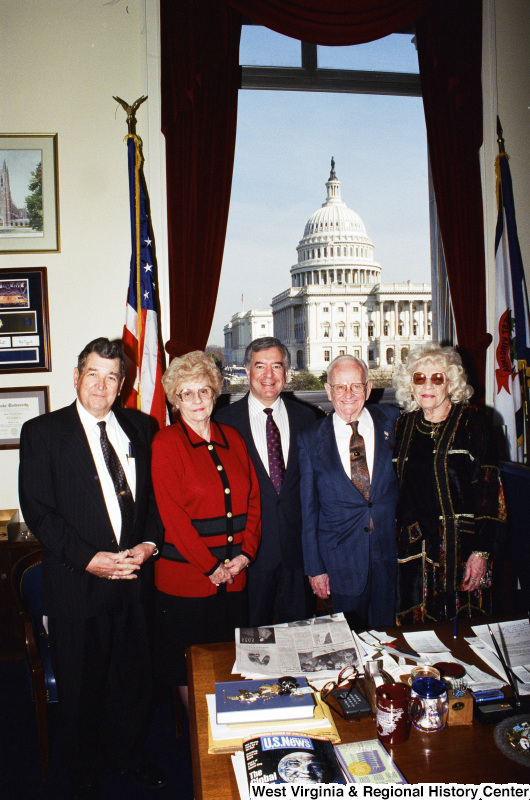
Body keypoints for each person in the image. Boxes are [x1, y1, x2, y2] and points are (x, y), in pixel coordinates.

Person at [18, 337, 165, 800]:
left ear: (122, 384)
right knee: (80, 691)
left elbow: (157, 502)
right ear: (77, 377)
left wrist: (148, 545)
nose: (101, 385)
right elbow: (39, 511)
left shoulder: (143, 428)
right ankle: (81, 771)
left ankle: (131, 755)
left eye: (111, 377)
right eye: (93, 374)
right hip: (77, 587)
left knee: (134, 683)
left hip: (134, 584)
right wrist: (89, 559)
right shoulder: (43, 432)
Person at [151, 351, 261, 709]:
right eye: (187, 393)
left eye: (204, 391)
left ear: (215, 394)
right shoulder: (166, 443)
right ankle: (199, 749)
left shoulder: (233, 437)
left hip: (234, 578)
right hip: (186, 582)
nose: (197, 400)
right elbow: (173, 518)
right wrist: (210, 567)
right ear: (175, 399)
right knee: (188, 669)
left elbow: (254, 501)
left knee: (230, 663)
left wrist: (246, 555)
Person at [392, 341, 507, 623]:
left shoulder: (474, 422)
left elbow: (491, 492)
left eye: (437, 378)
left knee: (465, 633)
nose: (427, 385)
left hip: (462, 550)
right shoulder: (404, 425)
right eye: (419, 378)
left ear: (451, 383)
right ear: (410, 385)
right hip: (414, 550)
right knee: (417, 634)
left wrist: (481, 552)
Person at [215, 337, 320, 626]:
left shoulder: (308, 418)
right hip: (248, 556)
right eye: (260, 366)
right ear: (247, 371)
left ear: (286, 372)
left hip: (297, 555)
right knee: (252, 644)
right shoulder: (222, 423)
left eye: (277, 366)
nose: (268, 375)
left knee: (301, 642)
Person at [299, 354, 400, 629]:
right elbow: (308, 510)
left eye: (356, 386)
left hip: (392, 557)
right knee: (350, 643)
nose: (348, 394)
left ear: (368, 389)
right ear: (328, 391)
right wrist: (314, 568)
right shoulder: (310, 438)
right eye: (340, 387)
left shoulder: (394, 422)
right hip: (340, 561)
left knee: (390, 639)